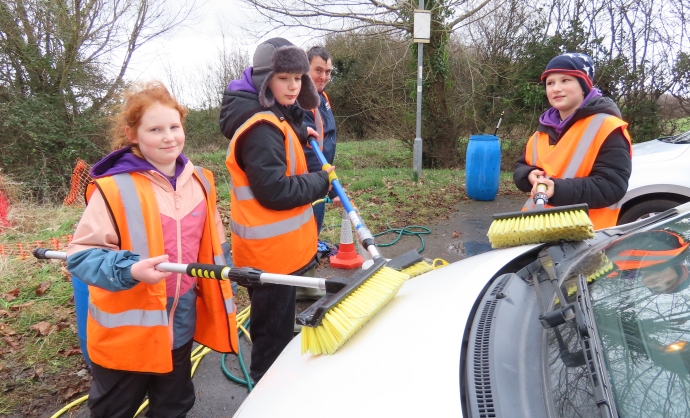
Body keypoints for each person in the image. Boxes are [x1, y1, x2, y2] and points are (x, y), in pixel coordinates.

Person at [66, 81, 238, 418]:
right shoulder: (114, 188)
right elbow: (81, 257)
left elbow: (216, 245)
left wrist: (234, 268)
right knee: (115, 409)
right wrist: (130, 270)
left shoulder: (202, 182)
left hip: (180, 322)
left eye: (174, 126)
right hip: (127, 334)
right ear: (133, 134)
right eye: (155, 129)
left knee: (173, 405)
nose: (168, 137)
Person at [219, 38, 332, 382]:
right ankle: (267, 398)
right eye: (284, 78)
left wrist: (301, 129)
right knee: (271, 344)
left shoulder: (273, 116)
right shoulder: (260, 128)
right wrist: (320, 182)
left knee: (280, 333)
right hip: (269, 260)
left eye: (298, 78)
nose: (294, 86)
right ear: (265, 79)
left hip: (282, 253)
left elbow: (285, 127)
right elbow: (274, 191)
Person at [513, 52, 633, 230]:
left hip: (585, 237)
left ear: (584, 86)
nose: (556, 88)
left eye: (565, 80)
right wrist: (528, 174)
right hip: (537, 230)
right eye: (550, 83)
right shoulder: (541, 132)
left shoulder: (607, 127)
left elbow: (611, 186)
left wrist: (557, 189)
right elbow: (521, 166)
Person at [302, 46, 341, 235]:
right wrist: (329, 185)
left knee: (313, 238)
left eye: (327, 72)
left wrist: (330, 186)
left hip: (322, 177)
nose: (323, 77)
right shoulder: (300, 101)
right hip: (308, 182)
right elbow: (309, 151)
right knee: (308, 239)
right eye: (318, 70)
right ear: (305, 68)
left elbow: (326, 139)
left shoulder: (322, 96)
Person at [606, 229, 690, 294]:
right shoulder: (670, 247)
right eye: (668, 282)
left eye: (657, 288)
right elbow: (639, 238)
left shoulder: (618, 274)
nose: (657, 283)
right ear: (677, 270)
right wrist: (607, 255)